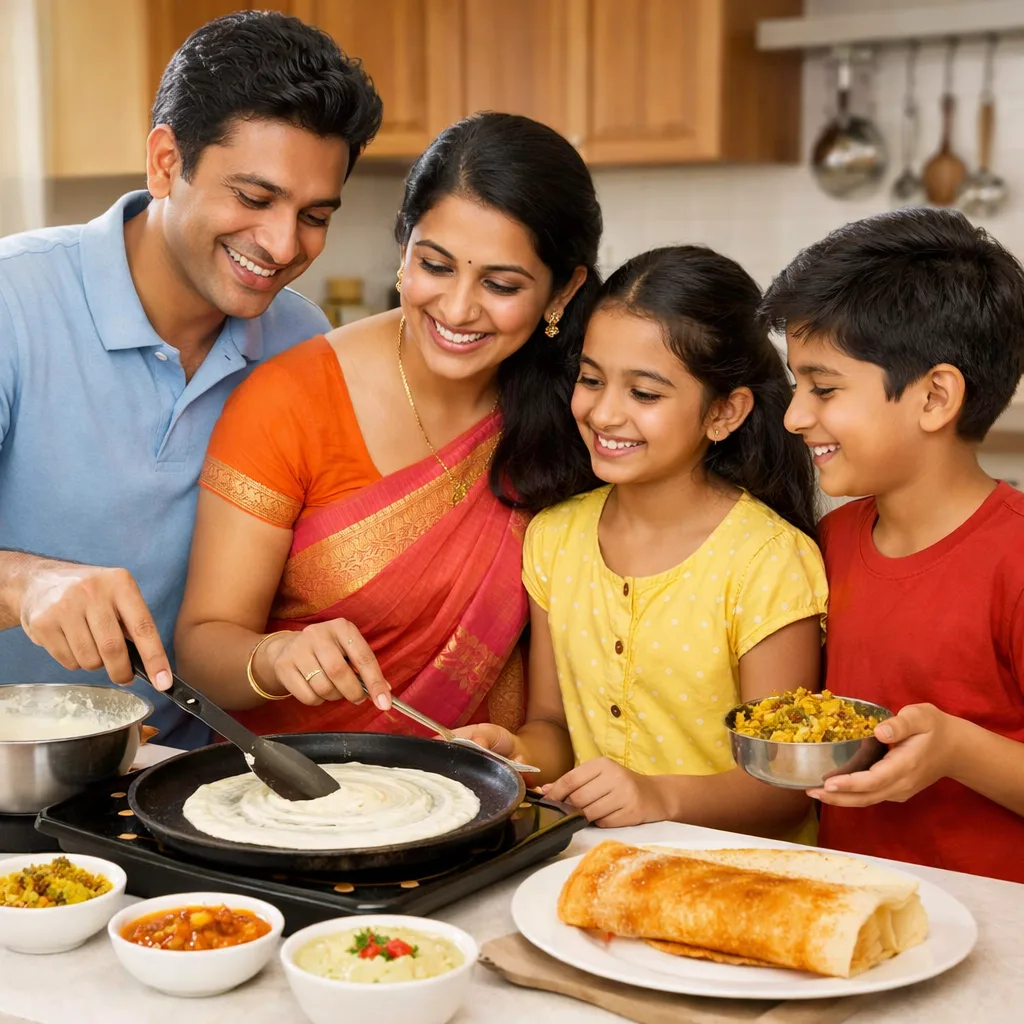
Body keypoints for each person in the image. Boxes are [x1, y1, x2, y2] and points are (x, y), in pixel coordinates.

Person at [0, 11, 382, 748]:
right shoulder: (14, 302)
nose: (281, 245)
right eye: (255, 197)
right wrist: (26, 583)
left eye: (314, 215)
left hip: (174, 776)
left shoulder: (303, 342)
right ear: (166, 163)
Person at [173, 113, 602, 737]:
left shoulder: (583, 420)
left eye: (501, 284)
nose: (457, 309)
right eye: (436, 265)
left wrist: (516, 754)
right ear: (403, 247)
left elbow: (559, 725)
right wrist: (274, 656)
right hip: (289, 800)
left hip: (480, 805)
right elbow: (201, 646)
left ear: (562, 293)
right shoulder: (290, 400)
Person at [454, 245, 828, 838]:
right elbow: (551, 726)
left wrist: (656, 796)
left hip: (741, 880)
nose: (604, 413)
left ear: (725, 413)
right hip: (593, 866)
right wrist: (513, 754)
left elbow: (782, 789)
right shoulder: (555, 537)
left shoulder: (767, 560)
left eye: (645, 394)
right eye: (592, 379)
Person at [765, 208, 1024, 882]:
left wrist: (957, 749)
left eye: (823, 387)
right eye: (797, 385)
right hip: (847, 902)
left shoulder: (1015, 559)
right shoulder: (830, 543)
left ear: (934, 397)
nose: (795, 416)